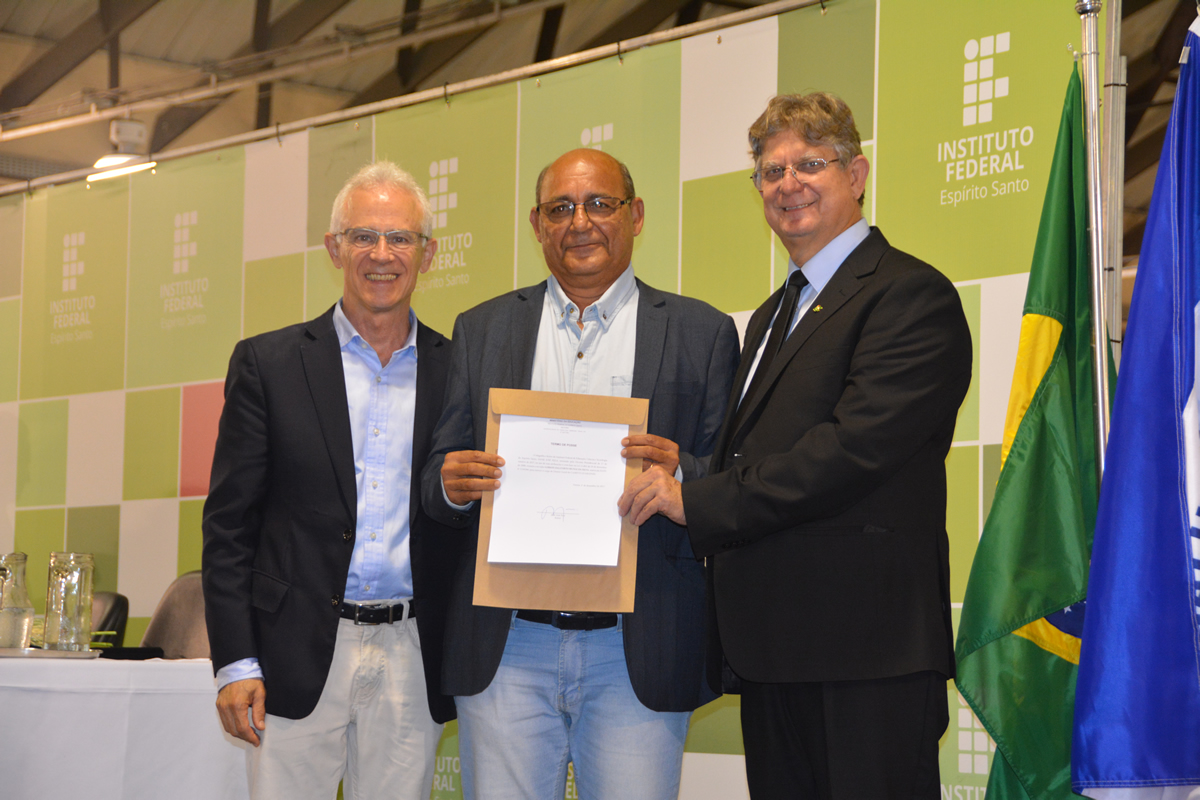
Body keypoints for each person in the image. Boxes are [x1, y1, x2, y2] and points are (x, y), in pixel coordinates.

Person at [620, 92, 973, 798]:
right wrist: (689, 471)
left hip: (866, 652)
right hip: (773, 649)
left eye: (810, 164)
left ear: (857, 175)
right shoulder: (772, 314)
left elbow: (850, 451)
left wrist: (697, 500)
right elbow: (762, 457)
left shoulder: (910, 295)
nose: (788, 184)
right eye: (771, 171)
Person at [420, 148, 739, 800]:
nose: (580, 222)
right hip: (507, 644)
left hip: (637, 647)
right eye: (560, 208)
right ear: (537, 225)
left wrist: (683, 475)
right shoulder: (481, 329)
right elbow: (436, 475)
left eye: (600, 204)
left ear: (636, 215)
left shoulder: (701, 332)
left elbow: (731, 478)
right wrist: (451, 485)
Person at [201, 161, 458, 800]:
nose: (381, 254)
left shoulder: (460, 370)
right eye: (363, 236)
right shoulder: (268, 364)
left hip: (413, 654)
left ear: (428, 254)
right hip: (292, 656)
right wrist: (235, 662)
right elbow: (229, 527)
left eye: (400, 238)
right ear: (334, 248)